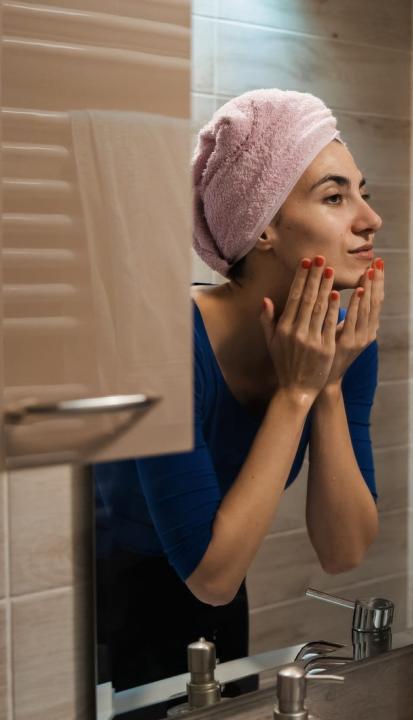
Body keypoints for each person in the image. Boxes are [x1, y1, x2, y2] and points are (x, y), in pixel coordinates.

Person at [94, 89, 385, 691]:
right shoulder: (163, 345)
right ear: (264, 229)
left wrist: (327, 388)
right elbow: (211, 575)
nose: (368, 219)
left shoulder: (343, 342)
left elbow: (345, 550)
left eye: (362, 192)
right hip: (103, 612)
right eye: (335, 197)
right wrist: (298, 395)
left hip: (222, 594)